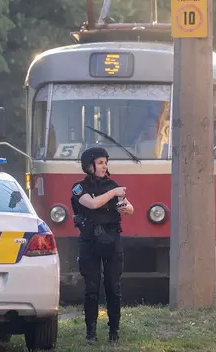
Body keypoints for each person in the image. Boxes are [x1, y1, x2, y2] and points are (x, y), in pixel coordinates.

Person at [70, 147, 133, 345]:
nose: (104, 166)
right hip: (89, 243)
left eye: (106, 162)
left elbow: (130, 208)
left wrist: (125, 207)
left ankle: (114, 332)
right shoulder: (79, 188)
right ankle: (91, 333)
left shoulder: (111, 184)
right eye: (100, 162)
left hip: (112, 241)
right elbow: (93, 204)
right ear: (89, 166)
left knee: (113, 287)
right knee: (92, 288)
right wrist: (114, 192)